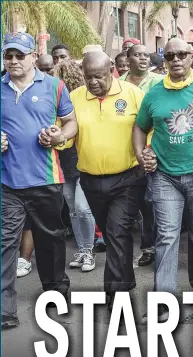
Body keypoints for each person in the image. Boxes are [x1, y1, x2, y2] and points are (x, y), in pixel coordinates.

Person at [133, 38, 193, 323]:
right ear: (164, 60)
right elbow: (140, 127)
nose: (176, 59)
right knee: (167, 235)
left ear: (192, 57)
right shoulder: (154, 94)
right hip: (164, 175)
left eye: (181, 54)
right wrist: (140, 154)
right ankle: (164, 301)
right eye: (170, 55)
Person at [44, 51, 146, 311]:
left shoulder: (133, 94)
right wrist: (57, 136)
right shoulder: (75, 98)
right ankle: (126, 281)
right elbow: (66, 132)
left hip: (128, 178)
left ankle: (115, 296)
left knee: (117, 232)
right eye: (88, 77)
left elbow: (149, 128)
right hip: (90, 180)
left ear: (111, 69)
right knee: (114, 238)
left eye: (99, 76)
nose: (93, 82)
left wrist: (149, 152)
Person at [1, 32, 76, 330]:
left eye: (20, 55)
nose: (14, 61)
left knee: (52, 242)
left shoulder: (55, 87)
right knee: (5, 245)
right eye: (9, 55)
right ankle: (5, 311)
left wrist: (60, 136)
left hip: (46, 180)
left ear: (34, 56)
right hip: (7, 183)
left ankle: (55, 297)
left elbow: (71, 123)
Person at [120, 44, 163, 267]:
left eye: (146, 55)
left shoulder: (159, 82)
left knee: (150, 202)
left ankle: (151, 247)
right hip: (124, 151)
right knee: (131, 203)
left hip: (152, 150)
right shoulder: (119, 83)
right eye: (137, 55)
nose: (143, 59)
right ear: (128, 59)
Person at [53, 59, 97, 272]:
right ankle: (82, 249)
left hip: (83, 160)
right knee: (72, 209)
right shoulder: (54, 99)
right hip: (64, 161)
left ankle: (88, 251)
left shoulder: (80, 98)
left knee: (82, 207)